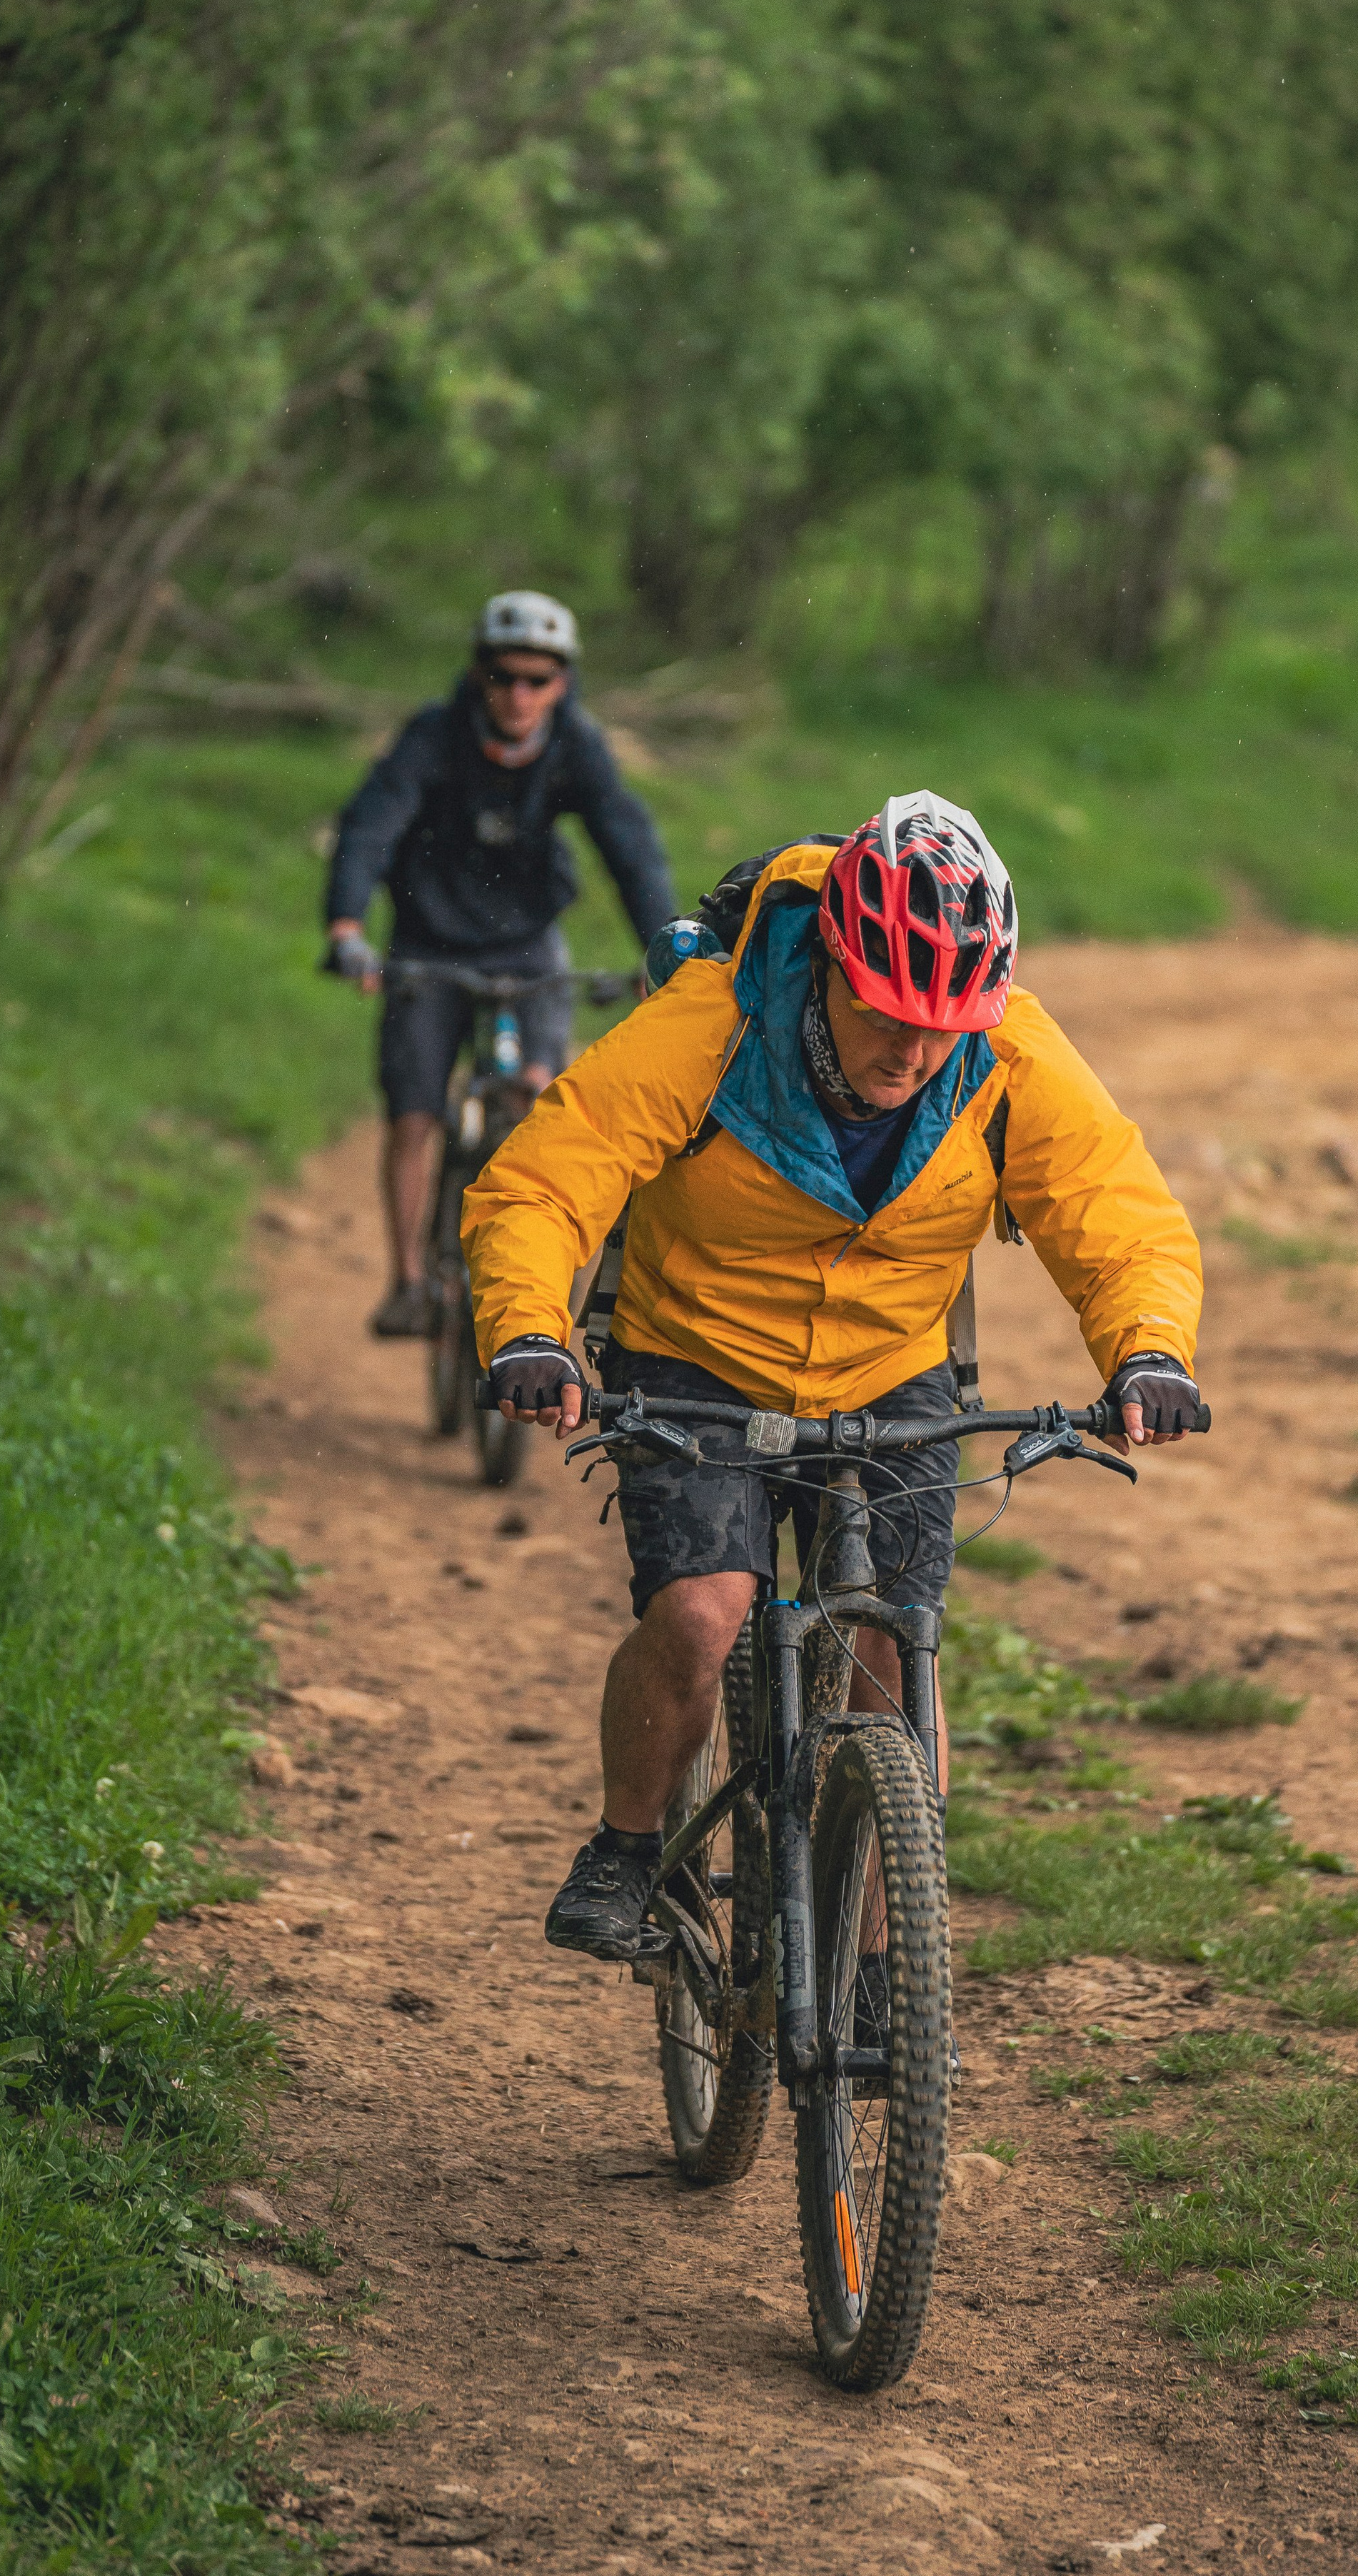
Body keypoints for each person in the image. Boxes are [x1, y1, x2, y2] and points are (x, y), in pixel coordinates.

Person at [461, 793, 1206, 1958]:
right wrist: (531, 1332)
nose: (912, 1049)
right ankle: (627, 1842)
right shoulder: (712, 1025)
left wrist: (1148, 1350)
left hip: (892, 1371)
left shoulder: (1009, 1058)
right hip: (695, 1356)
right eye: (886, 1009)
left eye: (945, 1021)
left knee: (892, 1654)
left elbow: (1116, 1213)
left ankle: (884, 1973)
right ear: (833, 966)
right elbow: (548, 1181)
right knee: (704, 1615)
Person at [324, 589, 678, 1338]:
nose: (520, 695)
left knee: (541, 1099)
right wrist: (348, 925)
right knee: (415, 1112)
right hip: (428, 942)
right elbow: (371, 824)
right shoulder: (434, 737)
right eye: (504, 676)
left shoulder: (575, 745)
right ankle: (409, 1281)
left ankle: (530, 1281)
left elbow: (628, 842)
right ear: (479, 674)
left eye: (539, 680)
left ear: (564, 682)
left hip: (528, 944)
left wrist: (662, 944)